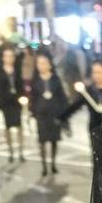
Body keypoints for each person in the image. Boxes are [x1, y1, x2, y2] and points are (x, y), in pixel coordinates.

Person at [28, 50, 76, 178]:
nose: (42, 66)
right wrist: (32, 111)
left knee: (54, 140)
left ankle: (53, 164)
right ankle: (44, 166)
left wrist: (65, 114)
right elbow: (32, 98)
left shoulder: (55, 79)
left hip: (54, 114)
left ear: (50, 64)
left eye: (44, 63)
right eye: (39, 63)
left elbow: (62, 97)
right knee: (42, 141)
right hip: (41, 115)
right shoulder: (35, 80)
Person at [0, 46, 27, 162]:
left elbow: (21, 86)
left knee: (19, 126)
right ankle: (10, 151)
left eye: (11, 56)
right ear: (3, 58)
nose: (9, 58)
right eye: (7, 56)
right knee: (8, 127)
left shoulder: (17, 71)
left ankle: (21, 151)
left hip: (16, 102)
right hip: (6, 103)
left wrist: (23, 98)